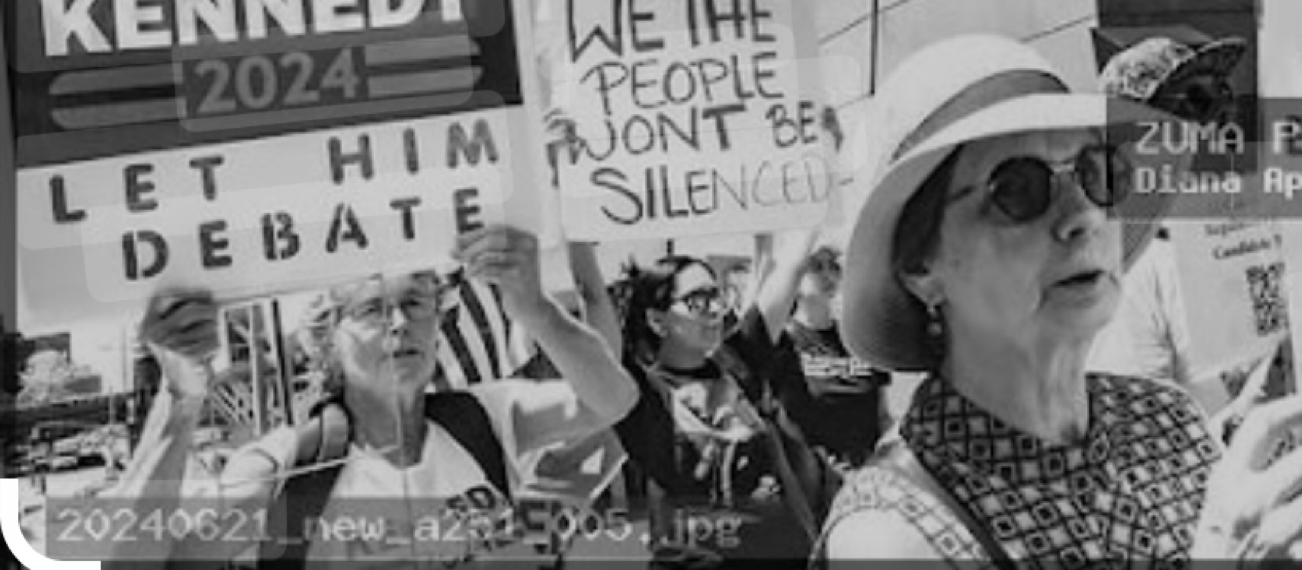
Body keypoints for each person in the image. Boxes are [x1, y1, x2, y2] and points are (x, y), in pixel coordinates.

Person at [818, 34, 1302, 565]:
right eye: (1018, 190)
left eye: (1096, 172)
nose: (1084, 216)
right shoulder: (889, 536)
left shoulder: (1165, 418)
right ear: (920, 268)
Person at [107, 224, 640, 568]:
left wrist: (536, 309)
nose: (400, 324)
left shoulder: (482, 419)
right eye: (370, 310)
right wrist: (180, 402)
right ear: (324, 339)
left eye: (415, 302)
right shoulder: (290, 466)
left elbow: (612, 404)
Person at [613, 236, 838, 567]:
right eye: (697, 300)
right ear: (657, 321)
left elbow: (790, 265)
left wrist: (811, 196)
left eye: (715, 295)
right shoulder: (641, 395)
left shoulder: (737, 361)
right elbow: (593, 327)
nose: (715, 309)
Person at [1088, 33, 1251, 401]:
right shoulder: (1127, 271)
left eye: (1224, 99)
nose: (1220, 124)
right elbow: (1139, 440)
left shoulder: (1234, 236)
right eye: (1196, 103)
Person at [773, 244, 892, 470]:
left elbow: (882, 415)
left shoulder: (860, 338)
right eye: (816, 267)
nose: (828, 275)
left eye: (834, 267)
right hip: (814, 475)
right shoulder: (784, 342)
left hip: (867, 469)